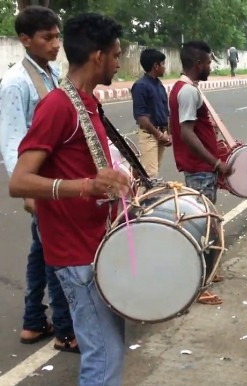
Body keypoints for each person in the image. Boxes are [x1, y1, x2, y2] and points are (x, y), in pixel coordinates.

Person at [8, 13, 132, 385]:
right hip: (76, 254)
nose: (119, 62)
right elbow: (19, 181)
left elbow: (90, 166)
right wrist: (83, 186)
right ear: (98, 56)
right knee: (103, 357)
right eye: (116, 54)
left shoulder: (85, 101)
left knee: (108, 351)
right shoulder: (59, 106)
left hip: (95, 244)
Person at [0, 6, 78, 353]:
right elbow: (13, 142)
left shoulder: (52, 72)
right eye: (47, 37)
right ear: (25, 39)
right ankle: (64, 330)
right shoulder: (16, 84)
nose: (55, 44)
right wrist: (30, 194)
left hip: (52, 183)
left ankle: (34, 322)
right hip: (41, 188)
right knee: (56, 258)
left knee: (40, 253)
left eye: (57, 36)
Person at [168, 40, 231, 306]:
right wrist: (216, 163)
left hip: (201, 168)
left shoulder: (186, 88)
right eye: (207, 62)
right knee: (200, 226)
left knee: (208, 221)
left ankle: (207, 270)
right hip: (200, 169)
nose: (210, 66)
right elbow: (186, 133)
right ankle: (198, 284)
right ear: (197, 64)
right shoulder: (188, 92)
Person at [131, 48, 171, 179]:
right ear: (156, 66)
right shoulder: (140, 86)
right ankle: (142, 199)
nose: (164, 67)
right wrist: (159, 135)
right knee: (150, 176)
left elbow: (165, 112)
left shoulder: (159, 85)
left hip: (161, 134)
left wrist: (168, 134)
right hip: (149, 135)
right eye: (163, 64)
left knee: (154, 174)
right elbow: (142, 118)